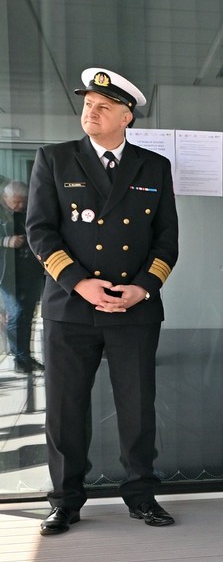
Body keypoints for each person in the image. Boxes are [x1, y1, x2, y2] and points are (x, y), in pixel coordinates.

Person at [27, 68, 179, 535]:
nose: (91, 112)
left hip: (134, 308)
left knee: (138, 408)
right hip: (71, 307)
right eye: (88, 105)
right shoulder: (55, 158)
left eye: (103, 107)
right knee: (65, 409)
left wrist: (143, 288)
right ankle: (65, 501)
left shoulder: (153, 167)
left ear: (126, 117)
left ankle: (141, 496)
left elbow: (166, 240)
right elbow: (40, 231)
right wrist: (80, 283)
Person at [1, 180, 45, 374]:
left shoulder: (30, 211)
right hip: (6, 275)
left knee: (27, 315)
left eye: (23, 201)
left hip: (30, 272)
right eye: (16, 202)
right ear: (5, 198)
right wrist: (6, 241)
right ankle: (19, 358)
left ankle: (24, 357)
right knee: (17, 313)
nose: (20, 205)